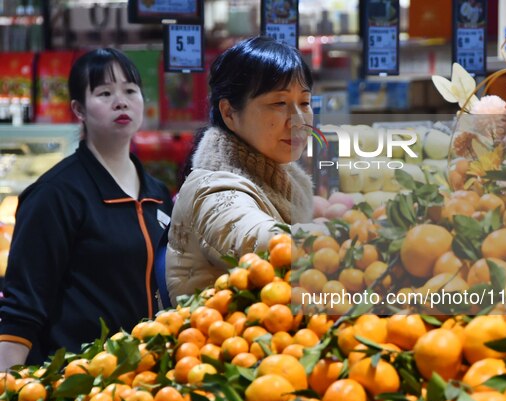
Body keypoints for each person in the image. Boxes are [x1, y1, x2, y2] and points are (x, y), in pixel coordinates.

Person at [0, 48, 173, 368]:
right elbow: (22, 307)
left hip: (147, 381)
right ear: (78, 109)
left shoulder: (157, 194)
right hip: (75, 384)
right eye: (104, 92)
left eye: (130, 91)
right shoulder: (55, 195)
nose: (120, 101)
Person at [166, 36, 314, 302]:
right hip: (221, 342)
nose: (298, 120)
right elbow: (253, 237)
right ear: (230, 113)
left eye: (304, 103)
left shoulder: (282, 180)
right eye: (279, 103)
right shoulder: (211, 191)